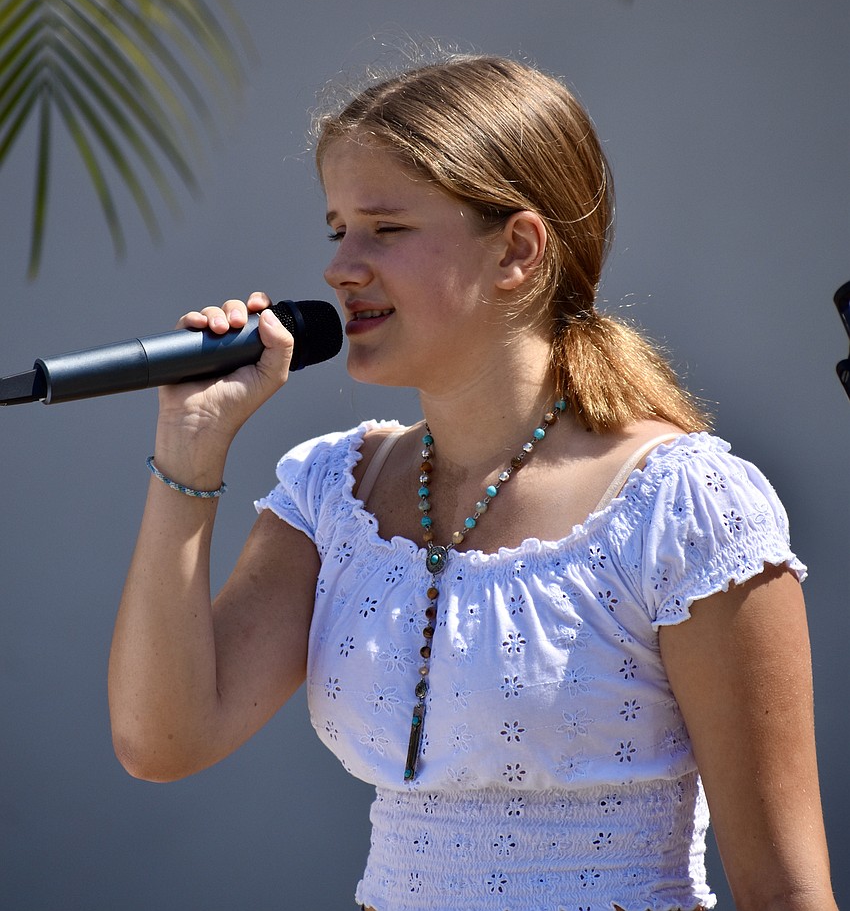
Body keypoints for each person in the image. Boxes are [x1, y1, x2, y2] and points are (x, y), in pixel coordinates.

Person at [108, 54, 838, 911]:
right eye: (336, 228)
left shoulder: (684, 507)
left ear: (517, 250)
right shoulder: (332, 490)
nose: (342, 266)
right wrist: (189, 450)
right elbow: (162, 739)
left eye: (385, 228)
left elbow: (785, 891)